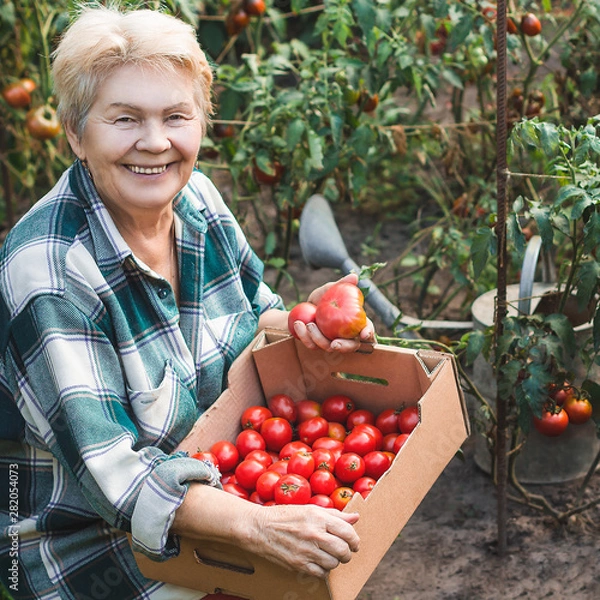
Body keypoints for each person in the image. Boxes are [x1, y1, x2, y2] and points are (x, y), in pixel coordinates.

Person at [0, 6, 375, 600]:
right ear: (76, 132)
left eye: (176, 116)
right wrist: (258, 524)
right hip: (93, 550)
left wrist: (312, 327)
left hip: (218, 481)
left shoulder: (196, 199)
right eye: (124, 119)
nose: (155, 143)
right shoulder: (49, 272)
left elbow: (257, 314)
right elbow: (115, 478)